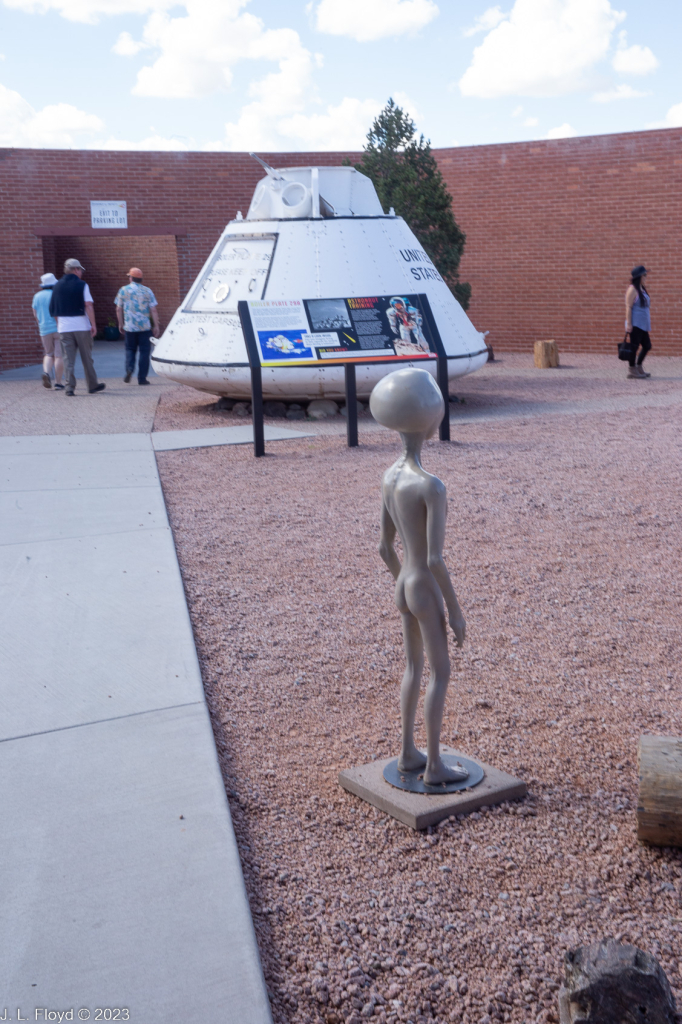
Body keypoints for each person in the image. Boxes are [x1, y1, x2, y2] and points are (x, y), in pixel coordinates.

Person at [370, 367, 468, 786]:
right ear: (430, 421)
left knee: (412, 667)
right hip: (423, 587)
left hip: (402, 584)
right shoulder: (431, 486)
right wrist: (456, 610)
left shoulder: (389, 477)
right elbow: (434, 560)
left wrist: (400, 582)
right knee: (440, 672)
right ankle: (433, 766)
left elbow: (383, 546)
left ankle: (408, 752)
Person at [49, 258, 105, 396]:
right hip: (81, 326)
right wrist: (93, 325)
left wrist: (59, 323)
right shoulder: (82, 285)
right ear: (75, 270)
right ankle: (92, 385)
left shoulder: (56, 286)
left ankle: (69, 387)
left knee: (68, 359)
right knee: (87, 358)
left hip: (64, 328)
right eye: (80, 269)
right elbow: (88, 305)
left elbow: (53, 309)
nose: (81, 272)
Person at [115, 267, 160, 386]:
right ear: (141, 279)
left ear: (131, 278)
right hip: (144, 327)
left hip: (129, 327)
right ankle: (142, 378)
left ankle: (129, 369)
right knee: (144, 352)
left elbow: (118, 308)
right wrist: (156, 326)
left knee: (130, 349)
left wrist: (120, 323)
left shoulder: (123, 290)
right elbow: (153, 310)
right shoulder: (147, 291)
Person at [32, 272, 64, 390]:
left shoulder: (37, 296)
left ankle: (46, 372)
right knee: (59, 356)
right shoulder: (57, 294)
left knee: (48, 354)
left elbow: (35, 314)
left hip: (44, 329)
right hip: (58, 328)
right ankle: (58, 382)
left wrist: (41, 324)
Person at [625, 264, 652, 379]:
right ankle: (632, 370)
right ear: (639, 276)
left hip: (643, 324)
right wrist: (629, 324)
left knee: (647, 345)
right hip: (635, 324)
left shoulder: (642, 288)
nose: (646, 276)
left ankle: (639, 366)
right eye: (644, 274)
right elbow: (628, 307)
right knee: (634, 347)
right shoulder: (632, 289)